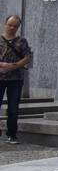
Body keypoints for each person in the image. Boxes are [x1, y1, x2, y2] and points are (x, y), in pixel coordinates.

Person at [0, 15, 33, 144]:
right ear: (5, 24)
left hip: (16, 79)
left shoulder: (22, 41)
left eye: (15, 26)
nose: (12, 28)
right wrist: (3, 65)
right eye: (10, 25)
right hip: (1, 77)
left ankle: (12, 134)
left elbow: (27, 57)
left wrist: (14, 66)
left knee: (13, 107)